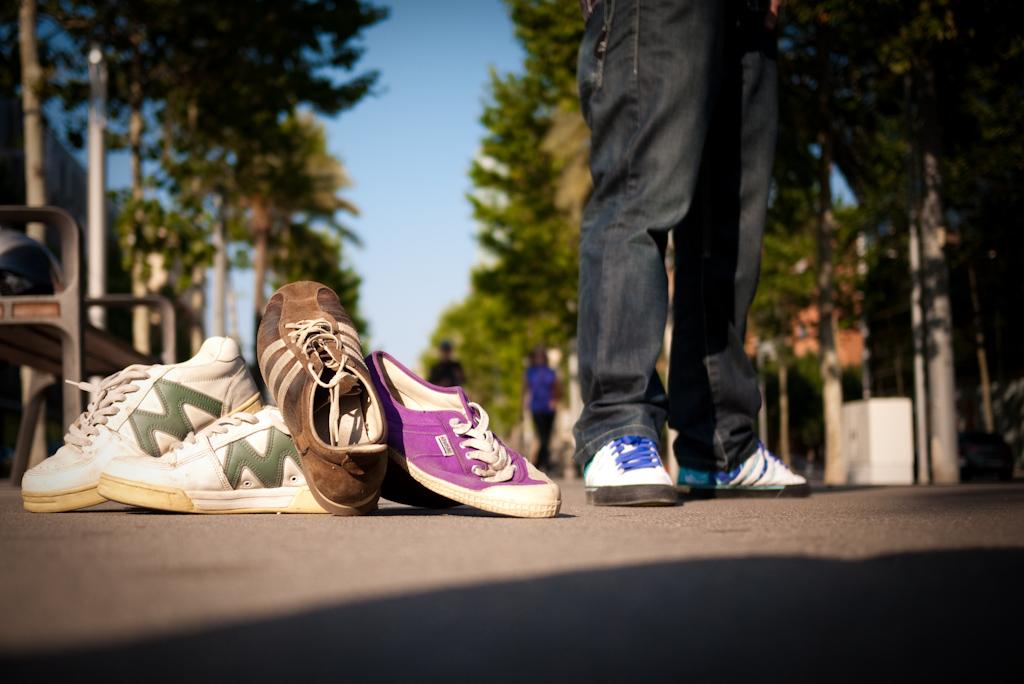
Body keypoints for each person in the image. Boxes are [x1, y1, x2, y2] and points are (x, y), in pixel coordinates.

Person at [574, 0, 808, 505]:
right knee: (638, 191)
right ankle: (617, 424)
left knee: (729, 234)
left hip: (749, 19)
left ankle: (721, 444)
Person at [522, 345, 560, 472]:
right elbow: (525, 389)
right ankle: (542, 463)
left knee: (547, 437)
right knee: (542, 436)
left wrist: (555, 400)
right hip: (536, 407)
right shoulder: (530, 372)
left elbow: (556, 387)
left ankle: (541, 462)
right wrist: (523, 404)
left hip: (549, 408)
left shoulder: (550, 371)